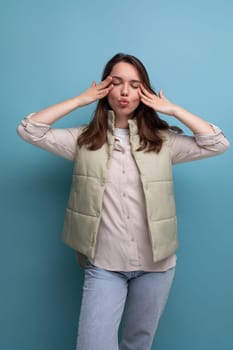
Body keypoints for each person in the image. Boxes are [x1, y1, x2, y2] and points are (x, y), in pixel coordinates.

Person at [17, 53, 230, 350]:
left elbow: (217, 143)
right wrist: (81, 99)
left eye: (134, 84)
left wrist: (173, 110)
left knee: (136, 345)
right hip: (104, 264)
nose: (125, 92)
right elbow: (29, 129)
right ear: (106, 89)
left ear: (145, 91)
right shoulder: (83, 140)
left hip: (157, 267)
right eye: (116, 83)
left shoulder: (163, 141)